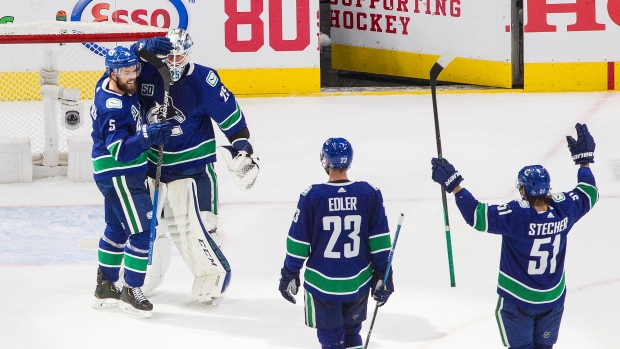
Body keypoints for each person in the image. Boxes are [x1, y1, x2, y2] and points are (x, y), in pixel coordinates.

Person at [430, 123, 598, 348]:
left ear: (522, 190)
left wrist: (454, 185)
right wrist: (583, 162)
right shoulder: (565, 208)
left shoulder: (517, 215)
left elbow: (476, 216)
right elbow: (589, 192)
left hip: (518, 300)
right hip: (552, 298)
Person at [129, 29, 260, 304]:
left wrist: (243, 148)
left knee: (206, 225)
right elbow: (120, 67)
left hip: (195, 169)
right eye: (169, 55)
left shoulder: (204, 81)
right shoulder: (147, 73)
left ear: (189, 53)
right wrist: (142, 46)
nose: (175, 61)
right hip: (153, 167)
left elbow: (232, 121)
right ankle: (150, 275)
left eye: (180, 55)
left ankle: (211, 275)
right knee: (153, 227)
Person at [278, 138, 395, 349]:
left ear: (325, 162)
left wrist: (289, 273)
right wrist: (384, 274)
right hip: (357, 282)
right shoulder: (369, 193)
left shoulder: (312, 196)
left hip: (322, 285)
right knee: (352, 333)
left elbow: (298, 243)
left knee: (331, 338)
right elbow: (380, 242)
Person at [91, 46, 172, 317]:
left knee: (116, 229)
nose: (132, 76)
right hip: (120, 174)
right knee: (142, 230)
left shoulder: (113, 85)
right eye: (125, 72)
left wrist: (142, 47)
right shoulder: (111, 107)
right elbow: (120, 151)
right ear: (112, 72)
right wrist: (148, 137)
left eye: (133, 70)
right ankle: (131, 290)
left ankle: (105, 286)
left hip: (113, 174)